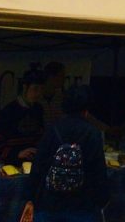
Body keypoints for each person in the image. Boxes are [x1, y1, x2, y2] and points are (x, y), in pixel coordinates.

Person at [20, 84, 109, 222]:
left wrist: (30, 197)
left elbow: (38, 167)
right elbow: (98, 171)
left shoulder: (52, 130)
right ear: (87, 109)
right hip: (82, 206)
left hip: (49, 204)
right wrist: (102, 200)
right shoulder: (92, 133)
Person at [0, 65, 46, 165]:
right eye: (35, 89)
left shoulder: (38, 109)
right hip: (10, 166)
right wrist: (18, 153)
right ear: (25, 87)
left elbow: (40, 137)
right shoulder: (9, 111)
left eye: (41, 90)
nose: (38, 94)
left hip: (32, 164)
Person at [41, 61, 66, 127]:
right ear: (51, 77)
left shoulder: (63, 98)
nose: (64, 79)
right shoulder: (36, 98)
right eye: (61, 76)